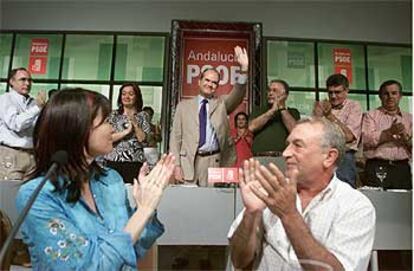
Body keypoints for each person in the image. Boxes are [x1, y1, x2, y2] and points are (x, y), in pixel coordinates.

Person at [16, 88, 175, 270]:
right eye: (105, 122)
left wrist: (147, 205)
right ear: (77, 130)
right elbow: (91, 266)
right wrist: (143, 211)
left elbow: (134, 248)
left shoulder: (111, 180)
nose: (113, 128)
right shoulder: (37, 195)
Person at [228, 118, 375, 270]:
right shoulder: (270, 191)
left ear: (329, 157)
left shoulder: (356, 206)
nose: (285, 153)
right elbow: (239, 261)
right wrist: (251, 213)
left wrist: (289, 214)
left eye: (297, 146)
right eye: (287, 145)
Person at [169, 46, 249, 187]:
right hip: (188, 163)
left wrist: (244, 68)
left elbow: (238, 93)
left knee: (212, 204)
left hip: (214, 162)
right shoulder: (183, 106)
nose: (210, 84)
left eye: (214, 82)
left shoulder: (222, 104)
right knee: (188, 204)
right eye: (207, 80)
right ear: (199, 81)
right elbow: (175, 139)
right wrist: (176, 165)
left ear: (217, 86)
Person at [313, 73, 362, 187]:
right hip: (322, 156)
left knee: (346, 194)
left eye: (338, 92)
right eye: (330, 92)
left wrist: (330, 116)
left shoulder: (354, 106)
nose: (333, 96)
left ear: (346, 91)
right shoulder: (321, 106)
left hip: (344, 157)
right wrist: (317, 117)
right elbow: (314, 135)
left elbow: (349, 137)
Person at [362, 80, 412, 189]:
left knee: (403, 204)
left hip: (402, 168)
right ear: (380, 97)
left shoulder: (410, 119)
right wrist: (389, 132)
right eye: (386, 94)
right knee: (377, 203)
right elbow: (366, 140)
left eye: (394, 93)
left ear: (400, 96)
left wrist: (405, 136)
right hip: (377, 166)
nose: (390, 97)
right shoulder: (370, 116)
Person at [0, 67, 46, 181]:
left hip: (32, 154)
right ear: (11, 81)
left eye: (29, 80)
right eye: (22, 79)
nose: (27, 83)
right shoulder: (5, 99)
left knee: (28, 194)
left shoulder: (34, 102)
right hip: (11, 153)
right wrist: (37, 108)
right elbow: (16, 124)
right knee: (9, 193)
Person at [104, 83, 152, 184]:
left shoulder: (143, 115)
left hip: (134, 162)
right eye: (124, 94)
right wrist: (125, 132)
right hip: (113, 161)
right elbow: (107, 138)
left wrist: (135, 123)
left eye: (131, 94)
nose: (127, 97)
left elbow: (143, 140)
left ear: (137, 97)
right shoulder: (113, 115)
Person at [249, 79, 299, 169]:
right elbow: (251, 127)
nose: (270, 93)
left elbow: (295, 131)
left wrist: (281, 108)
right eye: (269, 90)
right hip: (259, 159)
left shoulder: (293, 112)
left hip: (282, 159)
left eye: (275, 90)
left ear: (285, 95)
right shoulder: (259, 110)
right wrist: (272, 111)